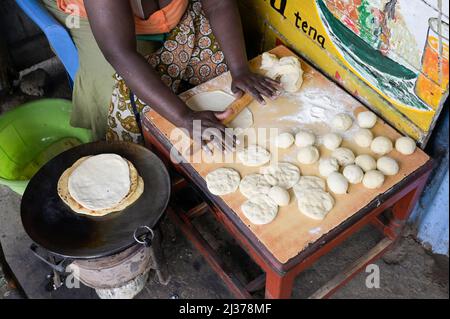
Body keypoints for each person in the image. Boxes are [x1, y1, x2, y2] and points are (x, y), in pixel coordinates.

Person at [45, 0, 280, 150]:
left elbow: (218, 5)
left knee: (220, 71)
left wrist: (239, 69)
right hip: (92, 13)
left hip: (161, 12)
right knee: (120, 93)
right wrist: (183, 116)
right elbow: (119, 52)